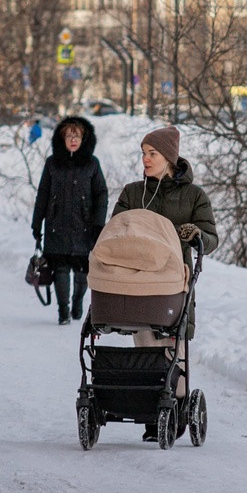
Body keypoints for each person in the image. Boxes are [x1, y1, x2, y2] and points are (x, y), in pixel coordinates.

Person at [111, 125, 218, 441]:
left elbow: (211, 236)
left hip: (174, 280)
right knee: (144, 341)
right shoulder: (133, 193)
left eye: (152, 153)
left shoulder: (193, 196)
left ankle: (177, 405)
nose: (145, 159)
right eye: (143, 153)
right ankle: (148, 411)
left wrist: (197, 236)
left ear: (169, 157)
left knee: (172, 345)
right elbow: (115, 228)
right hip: (137, 279)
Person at [31, 117, 108, 325]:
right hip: (57, 226)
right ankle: (63, 311)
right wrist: (37, 223)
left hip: (84, 227)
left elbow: (101, 194)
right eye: (68, 135)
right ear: (61, 138)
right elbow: (43, 194)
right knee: (61, 270)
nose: (73, 140)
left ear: (84, 139)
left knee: (82, 273)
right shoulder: (52, 164)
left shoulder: (92, 164)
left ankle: (77, 302)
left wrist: (99, 224)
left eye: (77, 136)